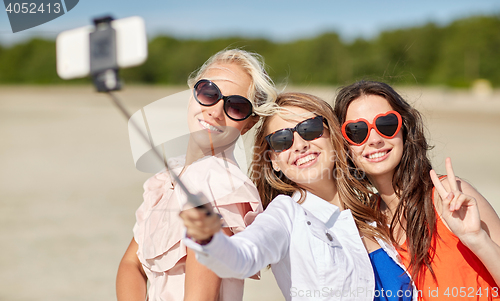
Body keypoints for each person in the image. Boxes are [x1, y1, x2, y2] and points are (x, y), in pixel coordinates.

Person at [181, 92, 413, 301]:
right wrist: (210, 239)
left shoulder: (374, 211)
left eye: (309, 129)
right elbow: (243, 256)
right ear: (273, 161)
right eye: (282, 140)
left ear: (332, 135)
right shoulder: (285, 215)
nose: (300, 145)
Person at [116, 49, 278, 301]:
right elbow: (131, 265)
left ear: (250, 122)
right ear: (192, 93)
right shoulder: (168, 178)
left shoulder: (221, 186)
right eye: (209, 93)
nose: (215, 111)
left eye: (236, 106)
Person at [333, 80, 500, 300]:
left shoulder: (448, 196)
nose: (374, 139)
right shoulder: (367, 222)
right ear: (344, 145)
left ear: (404, 129)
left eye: (386, 124)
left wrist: (477, 238)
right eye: (357, 131)